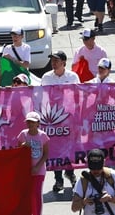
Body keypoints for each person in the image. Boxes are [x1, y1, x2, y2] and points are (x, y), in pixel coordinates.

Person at [42, 51, 80, 192]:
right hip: (53, 119)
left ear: (64, 62)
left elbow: (78, 96)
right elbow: (42, 96)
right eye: (52, 60)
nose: (54, 63)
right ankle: (58, 179)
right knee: (56, 148)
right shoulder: (46, 77)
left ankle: (70, 172)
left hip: (69, 118)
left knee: (69, 146)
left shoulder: (72, 77)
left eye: (56, 60)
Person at [71, 148, 115, 215]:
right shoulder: (83, 180)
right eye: (93, 168)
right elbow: (74, 208)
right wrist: (84, 202)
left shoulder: (113, 176)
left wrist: (110, 198)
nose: (96, 171)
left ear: (104, 163)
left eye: (98, 167)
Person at [17, 112, 50, 215]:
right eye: (28, 122)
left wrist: (37, 167)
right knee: (27, 193)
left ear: (38, 123)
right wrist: (23, 145)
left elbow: (45, 154)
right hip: (26, 170)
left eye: (33, 122)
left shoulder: (43, 136)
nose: (30, 124)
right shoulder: (23, 134)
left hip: (39, 170)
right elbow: (18, 152)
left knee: (36, 193)